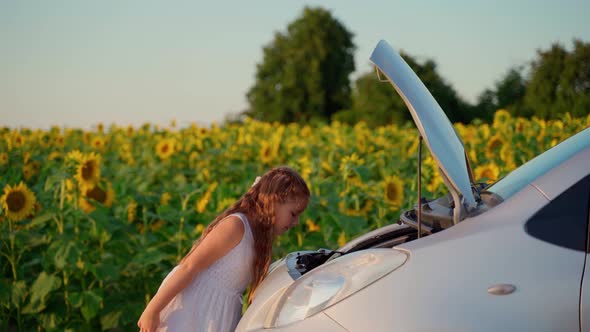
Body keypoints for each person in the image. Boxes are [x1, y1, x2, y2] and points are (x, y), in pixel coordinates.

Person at [137, 166, 310, 332]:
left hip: (219, 315)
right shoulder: (236, 226)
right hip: (193, 309)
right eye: (293, 214)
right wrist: (153, 309)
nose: (296, 223)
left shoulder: (260, 237)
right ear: (273, 202)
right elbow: (189, 266)